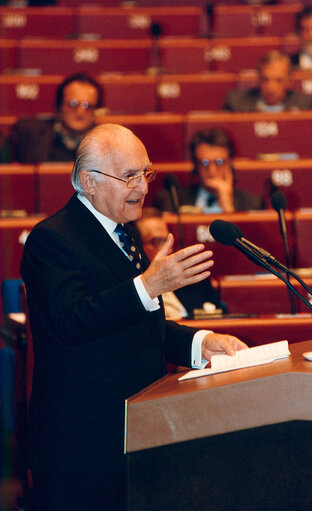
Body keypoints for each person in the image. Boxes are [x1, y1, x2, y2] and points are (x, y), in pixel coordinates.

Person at [20, 123, 247, 511]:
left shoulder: (124, 233)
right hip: (81, 448)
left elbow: (136, 323)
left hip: (137, 434)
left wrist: (200, 343)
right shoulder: (52, 239)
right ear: (89, 182)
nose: (143, 187)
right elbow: (72, 321)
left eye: (146, 173)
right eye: (129, 176)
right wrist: (148, 286)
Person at [135, 208, 227, 319]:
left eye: (167, 241)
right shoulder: (131, 285)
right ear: (137, 246)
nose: (167, 249)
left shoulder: (194, 280)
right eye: (158, 242)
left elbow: (221, 320)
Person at [154, 128, 263, 214]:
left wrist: (227, 206)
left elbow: (249, 240)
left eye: (219, 162)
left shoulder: (252, 204)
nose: (212, 171)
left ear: (230, 163)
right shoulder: (171, 201)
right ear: (196, 166)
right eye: (204, 163)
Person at [10, 72, 103, 163]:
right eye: (73, 104)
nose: (80, 112)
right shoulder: (30, 136)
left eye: (87, 106)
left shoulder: (104, 144)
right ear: (59, 107)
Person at [223, 50, 312, 112]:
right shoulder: (236, 103)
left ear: (289, 81)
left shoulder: (304, 104)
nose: (271, 87)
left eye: (278, 80)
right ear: (258, 79)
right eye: (265, 79)